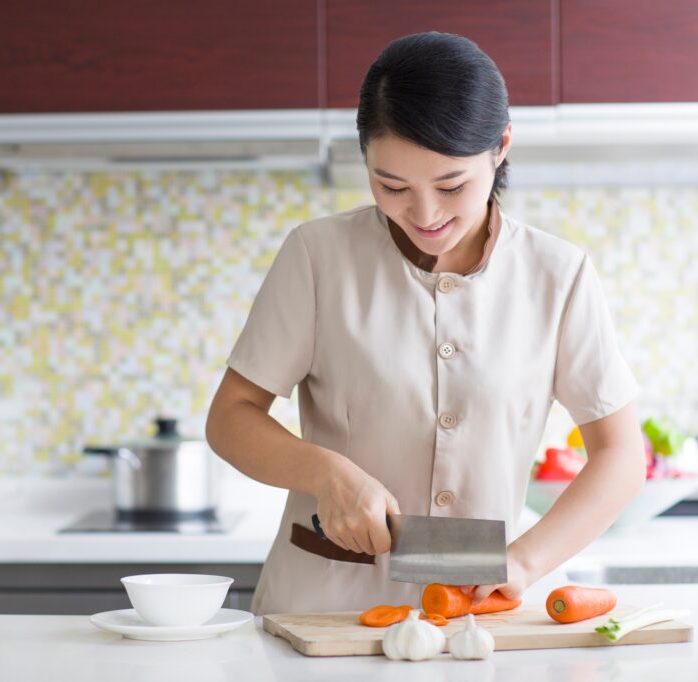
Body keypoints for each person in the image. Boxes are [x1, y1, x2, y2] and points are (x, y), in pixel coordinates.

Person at [206, 32, 645, 616]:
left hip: (476, 613)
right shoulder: (318, 257)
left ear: (501, 147)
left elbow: (620, 454)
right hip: (322, 614)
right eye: (392, 187)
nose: (426, 214)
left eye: (451, 185)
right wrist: (326, 472)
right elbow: (230, 419)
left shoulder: (558, 276)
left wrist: (525, 561)